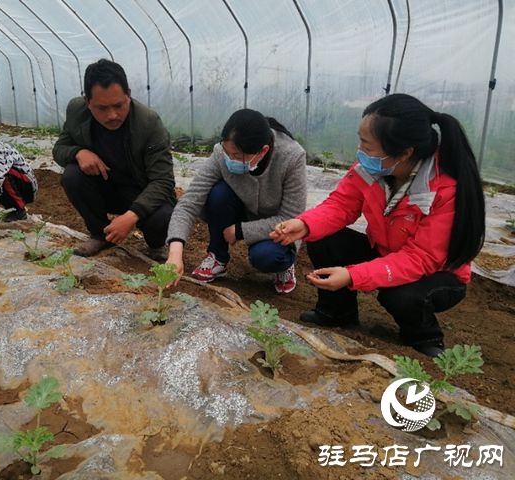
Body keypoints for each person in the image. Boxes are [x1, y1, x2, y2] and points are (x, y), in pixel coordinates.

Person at [270, 93, 485, 357]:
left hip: (436, 273)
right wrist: (304, 224)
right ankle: (337, 312)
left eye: (367, 144)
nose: (361, 151)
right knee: (323, 238)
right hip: (388, 252)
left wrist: (352, 276)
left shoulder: (444, 188)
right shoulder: (372, 167)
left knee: (399, 295)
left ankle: (425, 336)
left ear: (404, 153)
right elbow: (341, 205)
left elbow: (421, 258)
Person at [166, 108, 307, 294]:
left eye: (238, 156)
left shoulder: (292, 157)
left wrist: (241, 231)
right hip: (243, 209)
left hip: (278, 227)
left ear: (263, 150)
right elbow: (189, 203)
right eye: (227, 152)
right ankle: (218, 257)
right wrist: (175, 253)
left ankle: (284, 266)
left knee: (266, 256)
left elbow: (290, 217)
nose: (230, 159)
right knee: (218, 194)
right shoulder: (221, 154)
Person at [52, 58, 176, 261]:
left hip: (138, 190)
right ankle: (101, 235)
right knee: (72, 176)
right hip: (105, 186)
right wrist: (78, 152)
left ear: (128, 94)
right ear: (87, 102)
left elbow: (163, 181)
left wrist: (130, 216)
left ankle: (156, 245)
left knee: (163, 216)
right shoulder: (77, 112)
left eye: (119, 105)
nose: (112, 115)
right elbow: (59, 149)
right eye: (102, 108)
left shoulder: (148, 123)